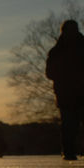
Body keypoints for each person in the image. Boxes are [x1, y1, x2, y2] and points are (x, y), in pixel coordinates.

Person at [46, 19, 84, 160]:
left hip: (74, 92)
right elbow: (50, 72)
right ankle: (68, 151)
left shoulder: (58, 50)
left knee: (69, 124)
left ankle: (69, 151)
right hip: (66, 94)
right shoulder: (57, 51)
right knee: (69, 125)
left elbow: (50, 73)